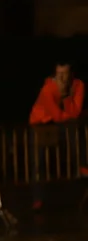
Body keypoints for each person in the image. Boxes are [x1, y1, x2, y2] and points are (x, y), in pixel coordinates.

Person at [28, 60, 86, 208]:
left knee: (76, 129)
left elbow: (76, 112)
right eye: (59, 74)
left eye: (65, 74)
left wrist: (66, 97)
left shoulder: (78, 85)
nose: (62, 78)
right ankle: (37, 199)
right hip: (40, 123)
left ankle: (82, 165)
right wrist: (65, 99)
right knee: (38, 162)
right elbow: (57, 115)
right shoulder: (48, 88)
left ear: (71, 74)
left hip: (62, 123)